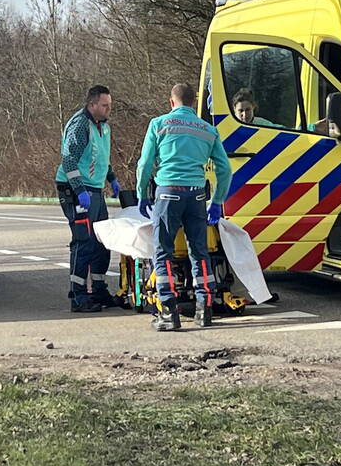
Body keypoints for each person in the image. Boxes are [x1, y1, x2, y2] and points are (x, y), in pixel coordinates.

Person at [136, 83, 232, 331]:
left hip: (168, 192)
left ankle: (169, 312)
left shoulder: (159, 124)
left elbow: (145, 163)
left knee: (163, 251)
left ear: (171, 102)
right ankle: (204, 309)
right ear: (193, 102)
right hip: (197, 195)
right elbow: (225, 169)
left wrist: (141, 192)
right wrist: (218, 200)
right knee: (199, 252)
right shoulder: (208, 130)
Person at [56, 84, 121, 313]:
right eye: (104, 105)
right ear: (92, 104)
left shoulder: (103, 127)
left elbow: (101, 155)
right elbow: (69, 160)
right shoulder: (80, 125)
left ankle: (99, 290)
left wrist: (111, 178)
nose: (108, 109)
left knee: (102, 241)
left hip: (94, 189)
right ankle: (78, 295)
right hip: (75, 190)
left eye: (109, 105)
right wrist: (79, 190)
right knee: (84, 242)